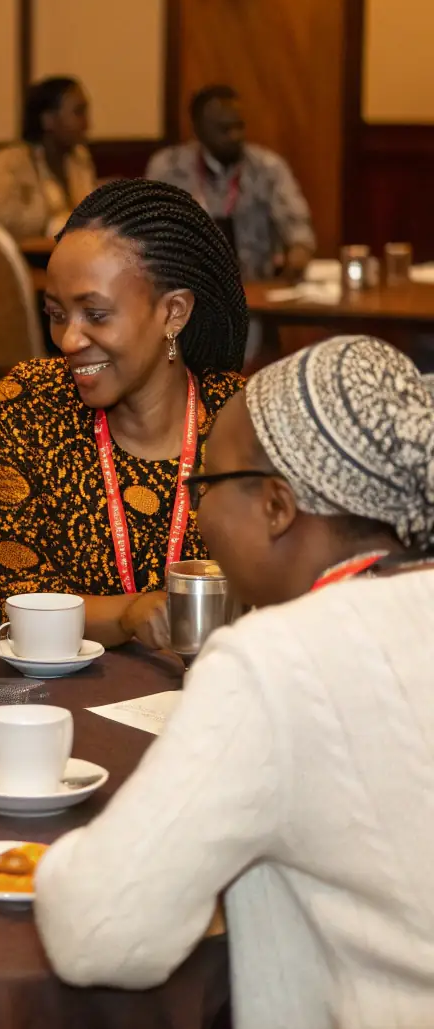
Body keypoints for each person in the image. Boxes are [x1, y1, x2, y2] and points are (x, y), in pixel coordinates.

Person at [35, 335, 434, 1029]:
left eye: (205, 488)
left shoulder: (278, 658)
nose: (199, 518)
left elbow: (100, 930)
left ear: (278, 507)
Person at [0, 178, 246, 647]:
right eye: (57, 314)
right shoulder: (31, 405)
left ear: (173, 313)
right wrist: (129, 615)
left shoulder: (240, 420)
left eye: (95, 315)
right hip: (67, 700)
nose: (69, 340)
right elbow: (8, 600)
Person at [146, 84, 315, 281]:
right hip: (188, 290)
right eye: (224, 129)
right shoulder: (169, 168)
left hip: (254, 290)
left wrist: (298, 252)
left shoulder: (268, 167)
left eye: (239, 126)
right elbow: (149, 234)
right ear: (198, 129)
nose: (235, 136)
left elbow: (297, 225)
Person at [0, 76, 96, 242]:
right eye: (78, 112)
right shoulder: (9, 164)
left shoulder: (79, 159)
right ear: (48, 120)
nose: (87, 124)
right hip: (17, 261)